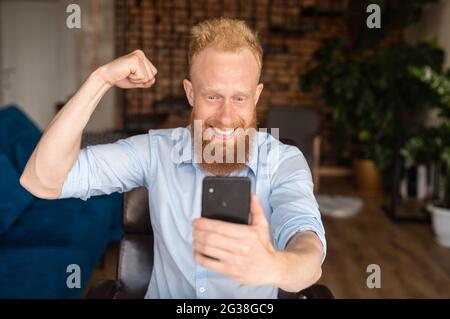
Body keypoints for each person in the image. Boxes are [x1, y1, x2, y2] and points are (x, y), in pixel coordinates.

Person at [20, 18, 326, 299]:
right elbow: (42, 181)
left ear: (256, 96)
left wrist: (276, 267)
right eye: (212, 96)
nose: (226, 116)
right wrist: (101, 79)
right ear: (190, 93)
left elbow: (308, 251)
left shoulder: (283, 161)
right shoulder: (156, 152)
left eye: (240, 98)